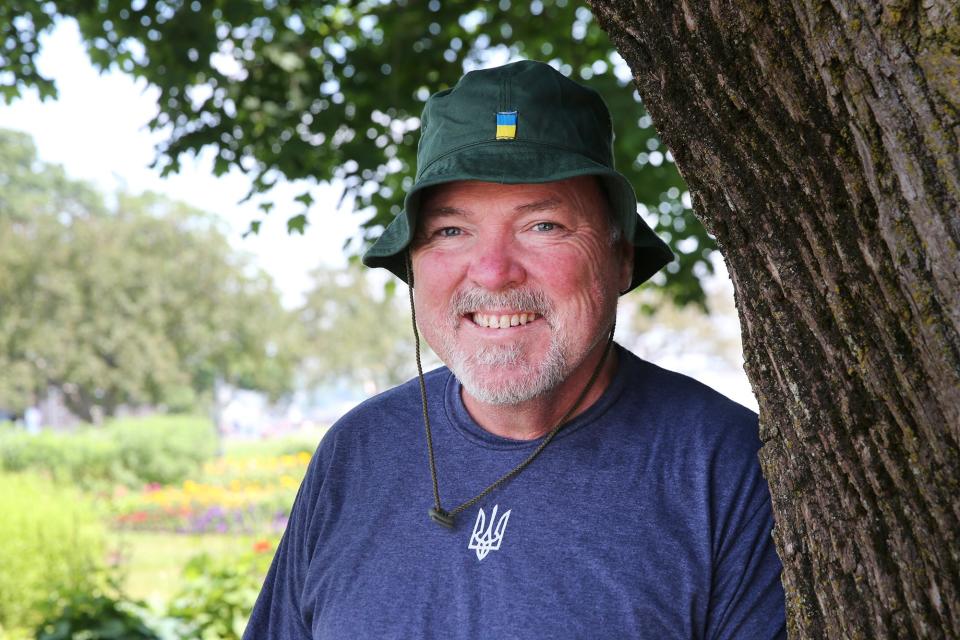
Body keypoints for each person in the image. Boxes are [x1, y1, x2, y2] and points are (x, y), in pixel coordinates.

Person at [244, 60, 786, 639]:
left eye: (544, 226)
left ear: (620, 255)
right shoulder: (356, 453)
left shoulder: (727, 468)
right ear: (413, 263)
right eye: (451, 231)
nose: (494, 272)